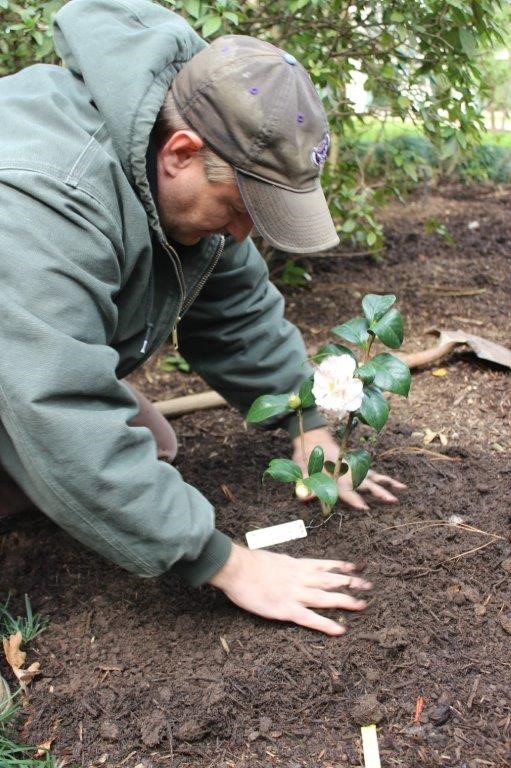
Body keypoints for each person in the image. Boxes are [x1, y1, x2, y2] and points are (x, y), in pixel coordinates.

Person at [0, 0, 404, 637]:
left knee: (151, 446)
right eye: (241, 207)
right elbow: (57, 406)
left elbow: (236, 308)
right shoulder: (41, 200)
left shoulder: (175, 143)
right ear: (182, 153)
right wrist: (228, 563)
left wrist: (306, 422)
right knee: (74, 445)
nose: (246, 232)